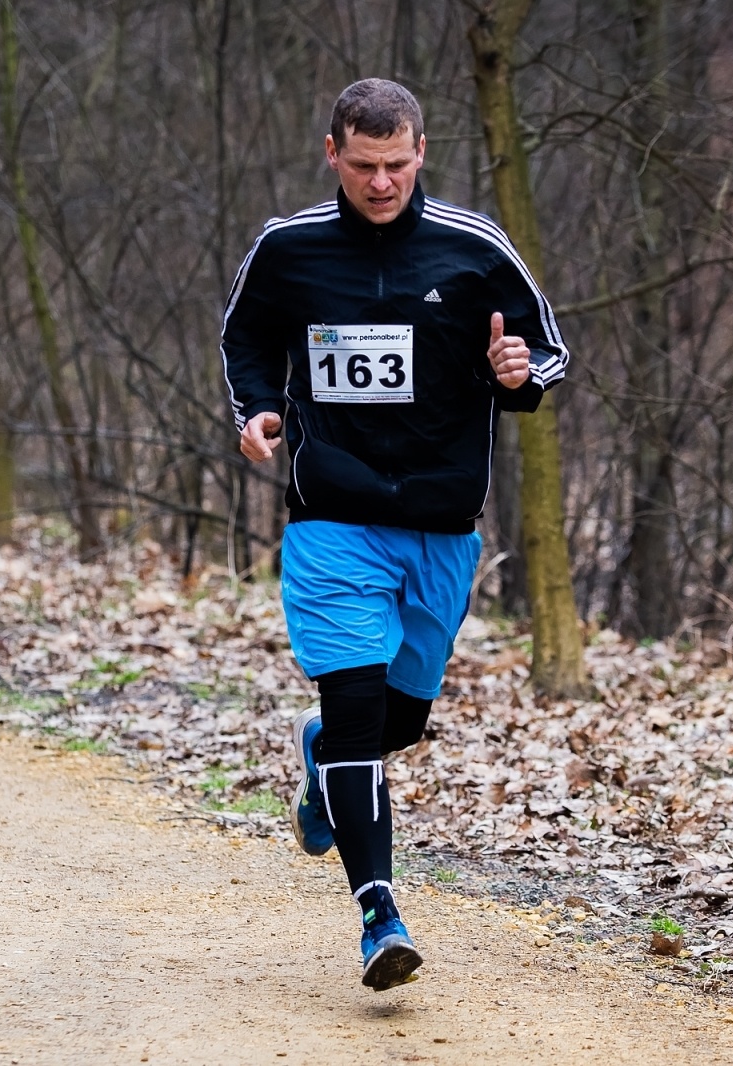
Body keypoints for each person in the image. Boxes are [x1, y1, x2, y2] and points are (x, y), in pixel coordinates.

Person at [220, 78, 569, 990]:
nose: (383, 183)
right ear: (332, 154)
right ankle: (380, 913)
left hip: (440, 523)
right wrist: (257, 407)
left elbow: (544, 357)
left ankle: (322, 752)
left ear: (422, 153)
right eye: (365, 165)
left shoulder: (474, 248)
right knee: (358, 714)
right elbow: (246, 336)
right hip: (332, 516)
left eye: (399, 164)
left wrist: (515, 372)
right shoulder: (289, 249)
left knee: (397, 720)